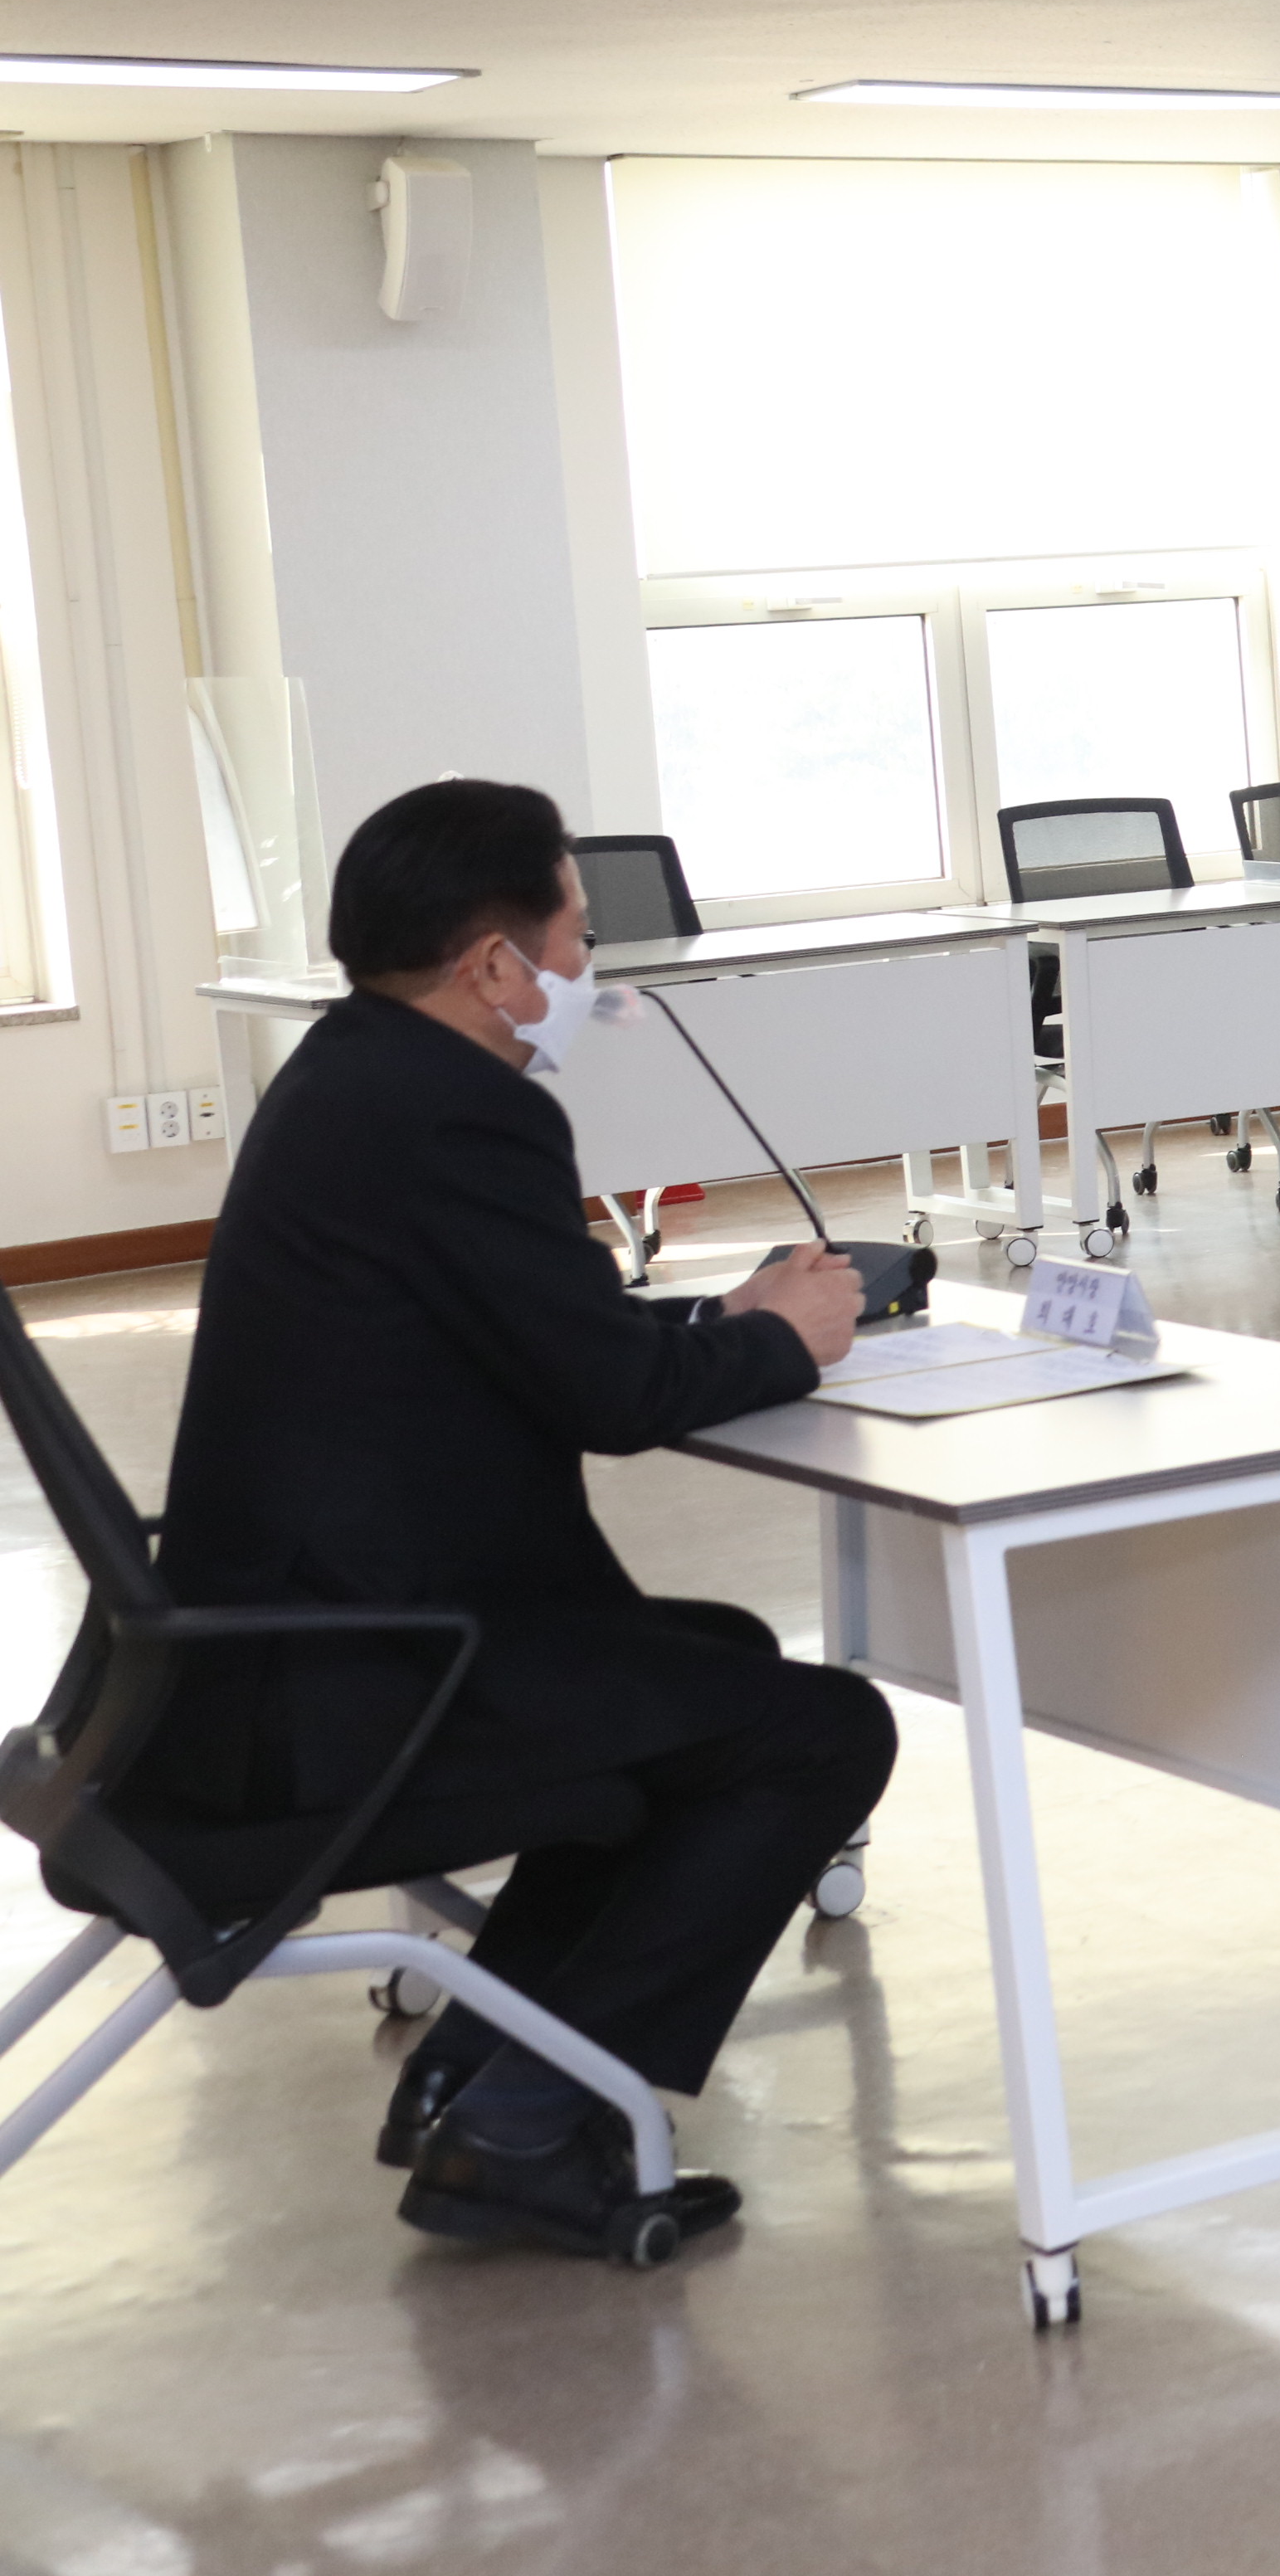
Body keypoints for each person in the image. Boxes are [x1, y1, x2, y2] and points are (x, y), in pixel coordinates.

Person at [143, 778, 888, 2259]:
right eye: (576, 938)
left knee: (717, 1664)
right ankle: (529, 2121)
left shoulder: (352, 1074)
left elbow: (527, 1333)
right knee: (821, 1730)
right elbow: (611, 1396)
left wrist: (726, 1320)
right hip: (356, 1681)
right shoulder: (462, 1115)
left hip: (262, 1653)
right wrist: (784, 1341)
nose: (585, 971)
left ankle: (480, 2078)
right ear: (496, 963)